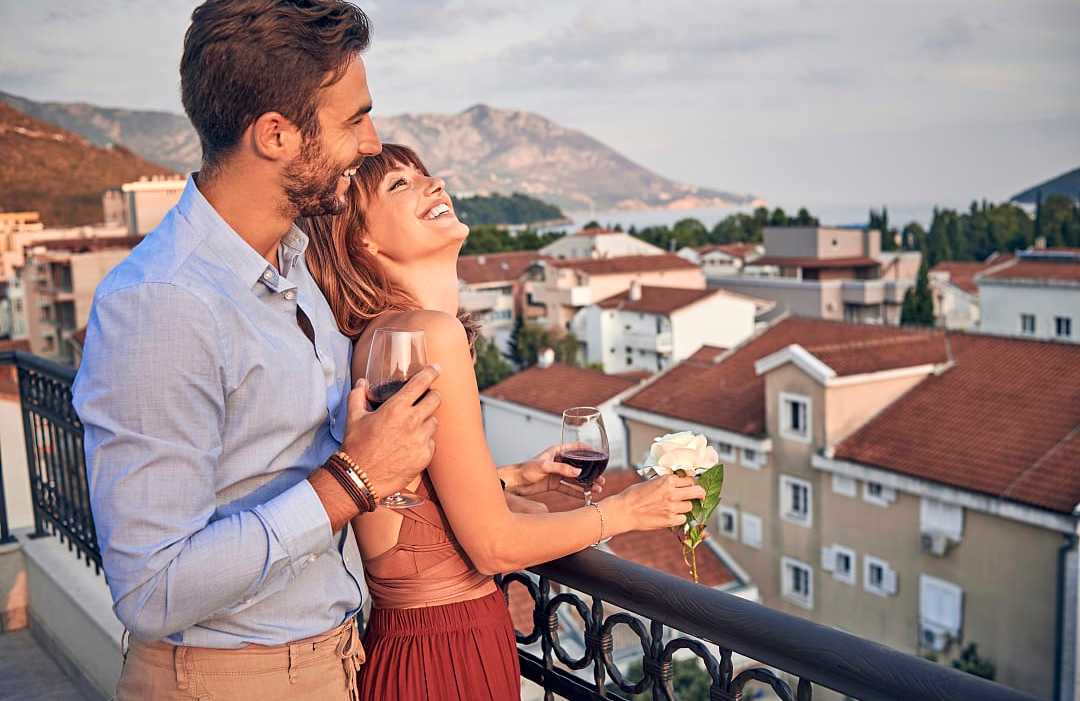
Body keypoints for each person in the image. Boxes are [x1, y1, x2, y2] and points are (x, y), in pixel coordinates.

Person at [72, 2, 583, 699]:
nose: (370, 143)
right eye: (353, 120)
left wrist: (503, 477)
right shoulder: (163, 302)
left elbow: (314, 463)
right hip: (228, 682)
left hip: (338, 660)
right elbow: (151, 588)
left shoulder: (295, 270)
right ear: (276, 135)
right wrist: (352, 480)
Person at [303, 143, 707, 701]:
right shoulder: (428, 336)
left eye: (425, 175)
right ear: (361, 239)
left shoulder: (381, 340)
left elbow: (409, 507)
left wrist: (511, 478)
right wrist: (628, 510)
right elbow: (494, 547)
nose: (435, 185)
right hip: (447, 654)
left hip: (409, 647)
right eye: (400, 184)